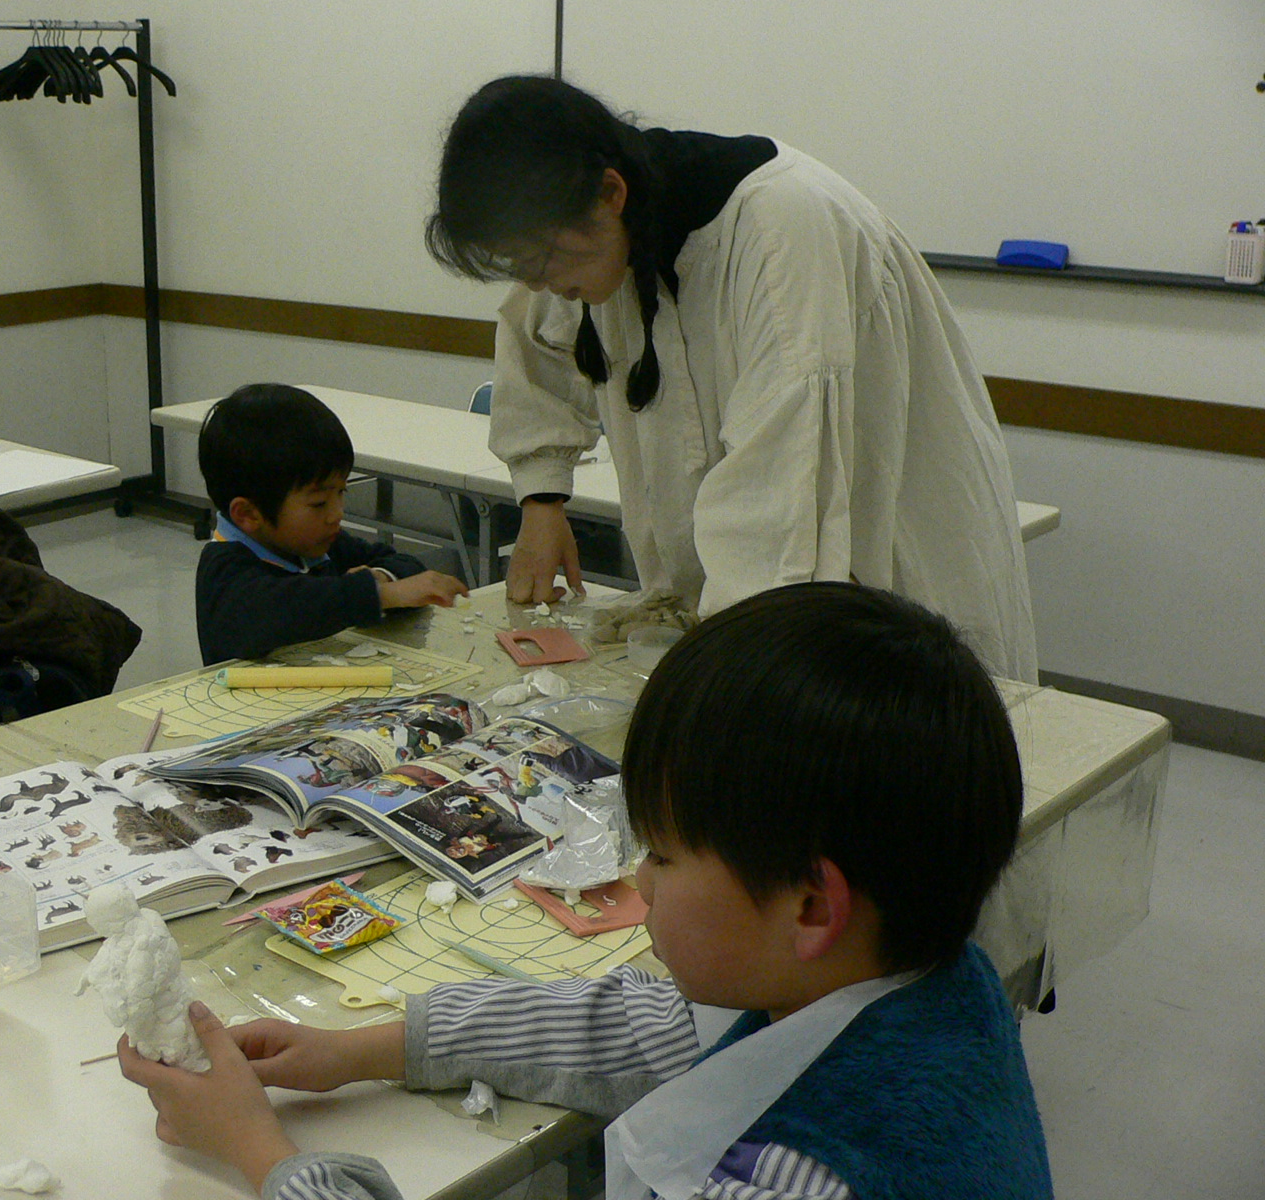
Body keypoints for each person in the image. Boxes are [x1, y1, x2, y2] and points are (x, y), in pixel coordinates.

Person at [119, 582, 1053, 1199]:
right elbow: (641, 1027)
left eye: (665, 857)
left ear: (811, 906)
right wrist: (361, 1048)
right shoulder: (909, 976)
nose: (639, 879)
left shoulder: (798, 1179)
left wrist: (259, 1153)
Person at [426, 75, 1037, 683]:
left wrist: (719, 672)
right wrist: (542, 500)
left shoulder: (780, 230)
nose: (538, 284)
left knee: (899, 711)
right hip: (750, 605)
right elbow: (534, 341)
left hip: (886, 573)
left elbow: (777, 500)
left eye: (539, 260)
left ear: (610, 192)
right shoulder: (605, 231)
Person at [194, 384, 468, 663]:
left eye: (341, 492)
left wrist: (382, 578)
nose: (337, 513)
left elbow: (404, 564)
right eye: (319, 503)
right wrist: (379, 595)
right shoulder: (224, 571)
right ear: (248, 514)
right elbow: (286, 609)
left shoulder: (318, 543)